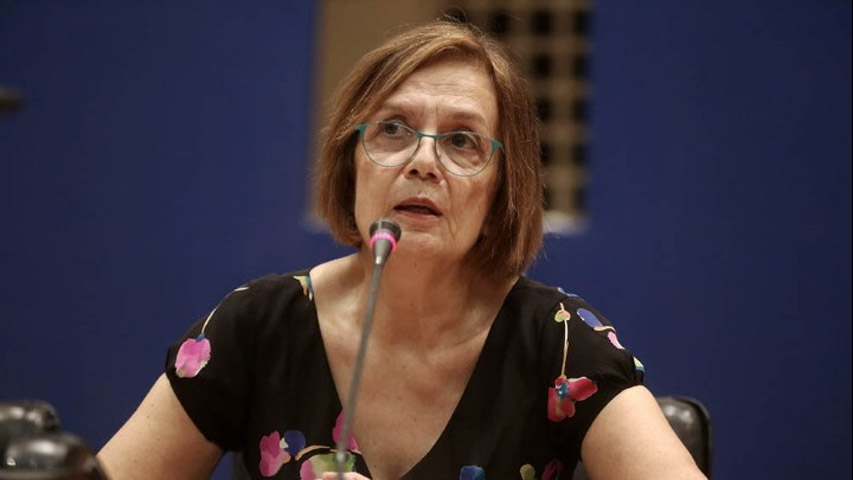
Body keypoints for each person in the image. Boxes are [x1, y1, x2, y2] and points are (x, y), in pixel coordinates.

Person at [97, 21, 706, 480]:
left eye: (462, 141)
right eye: (392, 129)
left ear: (502, 190)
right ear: (351, 165)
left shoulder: (562, 344)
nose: (422, 161)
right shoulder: (258, 328)